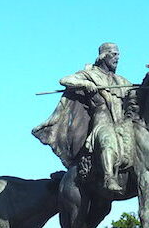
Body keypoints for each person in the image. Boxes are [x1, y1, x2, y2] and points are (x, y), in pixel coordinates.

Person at [32, 42, 132, 192]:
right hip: (102, 118)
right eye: (114, 54)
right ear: (103, 56)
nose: (117, 57)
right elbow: (64, 80)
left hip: (121, 122)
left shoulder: (121, 81)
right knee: (107, 138)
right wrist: (84, 83)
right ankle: (108, 177)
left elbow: (137, 92)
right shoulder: (91, 74)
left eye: (118, 54)